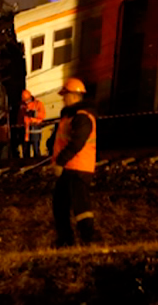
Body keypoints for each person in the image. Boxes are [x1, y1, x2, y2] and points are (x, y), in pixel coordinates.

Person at [50, 77, 98, 248]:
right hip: (70, 168)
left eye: (66, 95)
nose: (63, 99)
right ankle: (65, 241)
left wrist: (60, 161)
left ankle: (88, 239)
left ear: (75, 96)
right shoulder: (71, 117)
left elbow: (77, 142)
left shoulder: (82, 117)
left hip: (77, 168)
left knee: (81, 206)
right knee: (60, 205)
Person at [21, 89, 47, 158]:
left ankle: (38, 167)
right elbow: (20, 118)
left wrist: (33, 114)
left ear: (29, 97)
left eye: (26, 100)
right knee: (25, 153)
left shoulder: (38, 104)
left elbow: (43, 115)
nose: (25, 102)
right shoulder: (22, 106)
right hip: (26, 133)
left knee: (36, 150)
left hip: (35, 131)